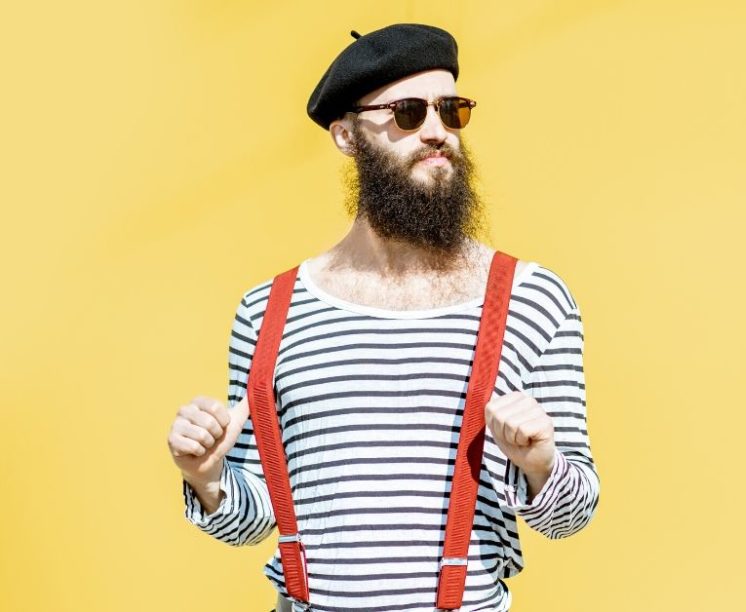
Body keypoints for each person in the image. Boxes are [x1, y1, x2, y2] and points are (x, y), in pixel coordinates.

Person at [165, 23, 600, 612]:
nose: (436, 131)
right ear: (346, 135)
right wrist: (208, 480)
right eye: (408, 112)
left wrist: (541, 463)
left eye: (451, 110)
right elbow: (250, 522)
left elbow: (572, 517)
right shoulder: (268, 312)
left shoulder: (532, 298)